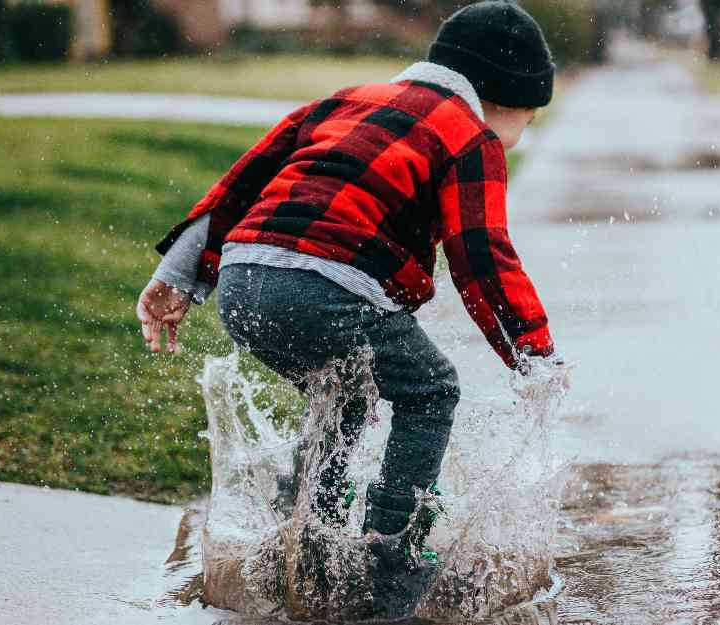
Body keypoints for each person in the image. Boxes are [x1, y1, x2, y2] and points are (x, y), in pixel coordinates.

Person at [136, 0, 560, 615]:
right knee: (431, 389)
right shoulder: (471, 137)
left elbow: (244, 180)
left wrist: (177, 275)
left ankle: (308, 543)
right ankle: (393, 559)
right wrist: (533, 352)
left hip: (244, 281)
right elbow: (482, 255)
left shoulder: (346, 99)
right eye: (531, 115)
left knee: (345, 393)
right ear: (506, 98)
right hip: (321, 288)